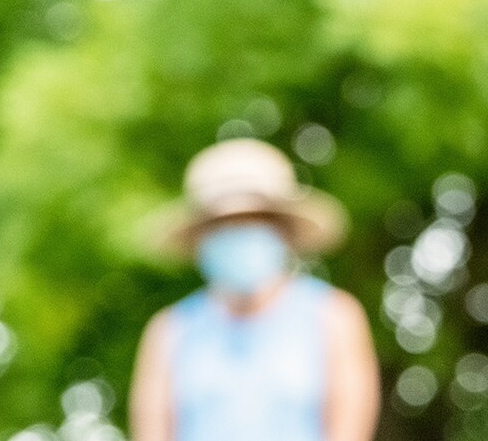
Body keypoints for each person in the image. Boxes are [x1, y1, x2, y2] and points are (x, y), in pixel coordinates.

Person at [130, 138, 380, 441]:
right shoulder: (170, 330)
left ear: (284, 230)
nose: (239, 233)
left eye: (254, 220)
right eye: (224, 224)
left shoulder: (335, 317)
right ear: (201, 238)